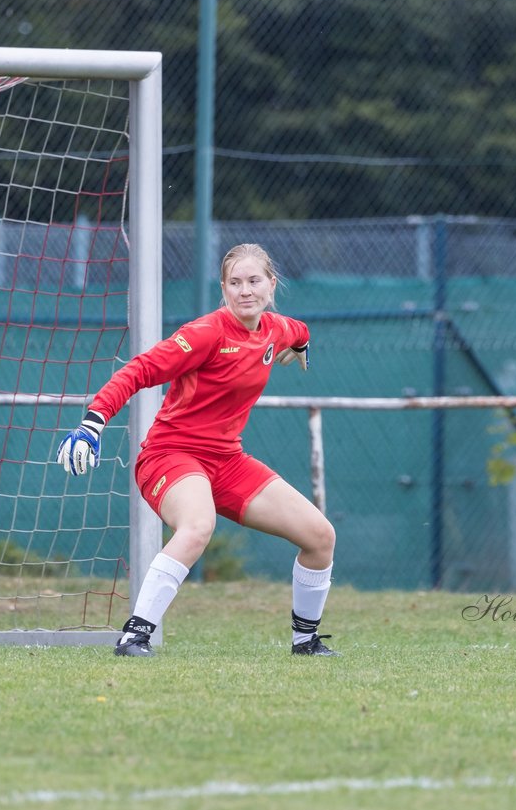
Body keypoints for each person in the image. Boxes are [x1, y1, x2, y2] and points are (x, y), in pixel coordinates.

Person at [56, 243, 338, 657]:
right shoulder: (205, 332)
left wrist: (299, 347)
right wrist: (92, 422)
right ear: (223, 288)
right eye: (235, 283)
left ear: (271, 284)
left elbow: (299, 331)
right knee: (197, 525)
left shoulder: (276, 329)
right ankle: (135, 636)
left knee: (320, 536)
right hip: (170, 455)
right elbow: (139, 370)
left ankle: (305, 643)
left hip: (227, 461)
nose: (245, 291)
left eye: (254, 281)